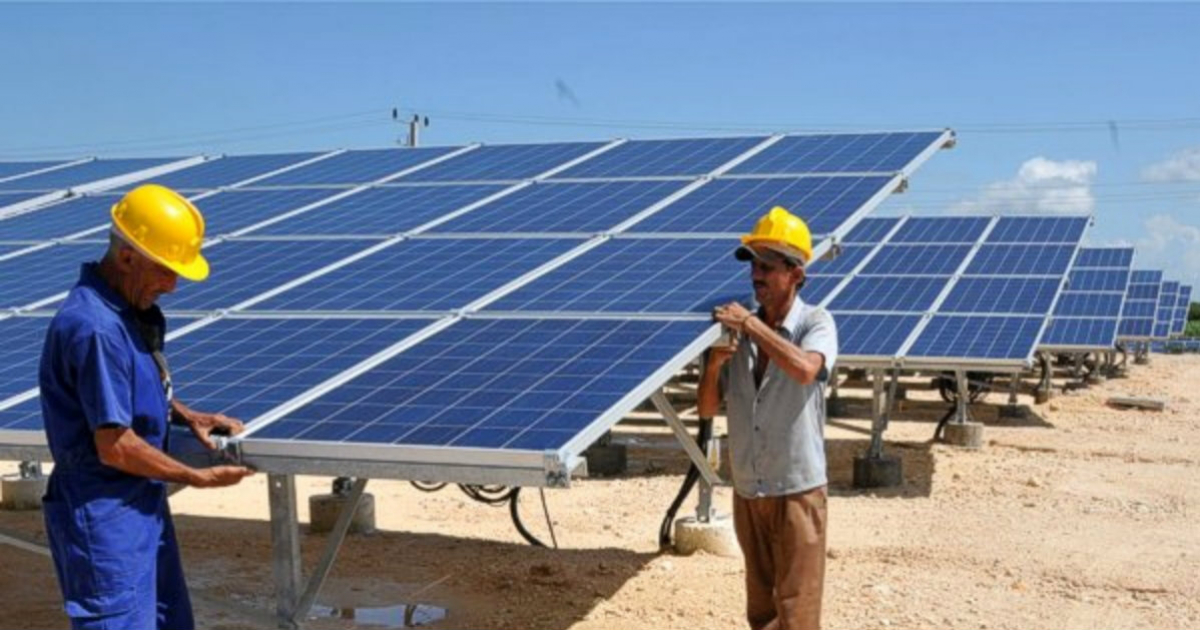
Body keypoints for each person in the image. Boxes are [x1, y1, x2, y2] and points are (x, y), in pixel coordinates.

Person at [39, 184, 255, 630]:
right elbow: (115, 445)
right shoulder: (94, 327)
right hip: (103, 518)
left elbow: (122, 387)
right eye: (164, 271)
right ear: (127, 256)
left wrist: (182, 412)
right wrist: (196, 477)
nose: (172, 286)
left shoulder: (122, 313)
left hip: (138, 508)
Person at [698, 206, 838, 630]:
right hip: (749, 491)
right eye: (754, 266)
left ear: (796, 274)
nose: (756, 276)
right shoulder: (735, 332)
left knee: (797, 613)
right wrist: (715, 366)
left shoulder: (817, 323)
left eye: (768, 267)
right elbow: (707, 408)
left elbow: (805, 369)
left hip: (797, 491)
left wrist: (752, 328)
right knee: (761, 611)